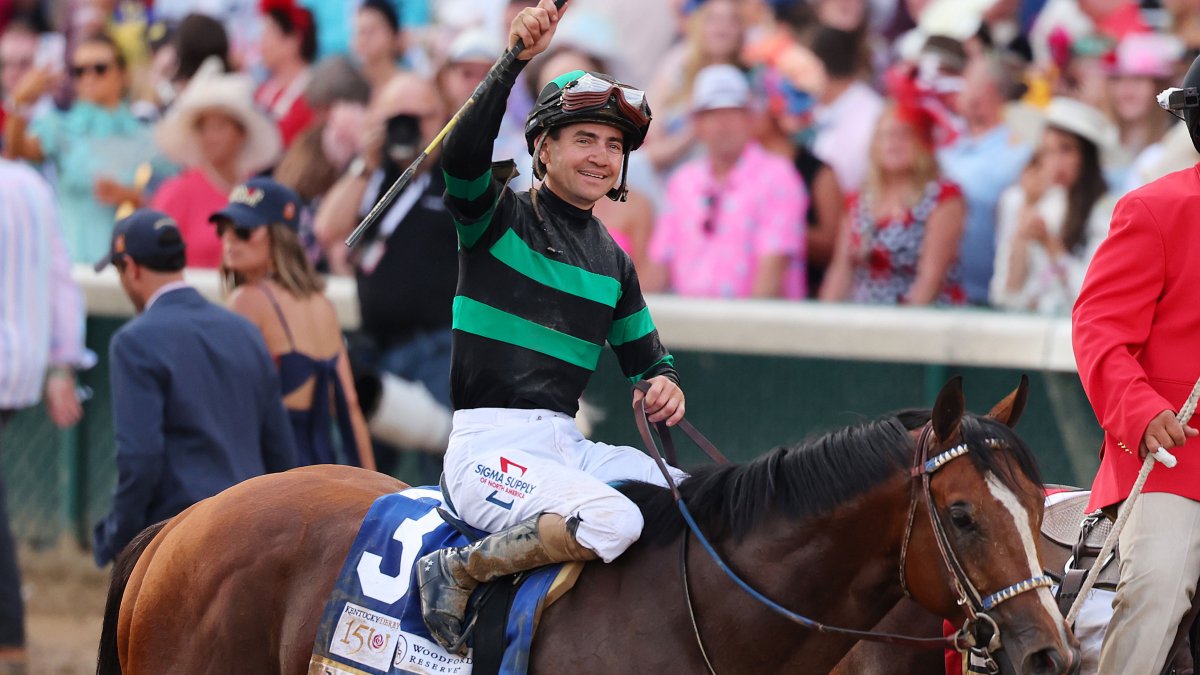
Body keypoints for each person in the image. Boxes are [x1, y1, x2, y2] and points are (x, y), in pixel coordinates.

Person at [416, 0, 687, 654]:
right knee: (614, 517)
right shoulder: (494, 219)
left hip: (566, 447)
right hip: (486, 451)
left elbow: (650, 362)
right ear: (543, 147)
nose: (602, 156)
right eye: (585, 139)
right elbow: (461, 152)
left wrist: (663, 387)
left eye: (615, 144)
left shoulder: (614, 262)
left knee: (693, 500)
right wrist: (513, 61)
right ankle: (457, 567)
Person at [1072, 53, 1200, 675]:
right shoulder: (1153, 209)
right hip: (1173, 459)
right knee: (1155, 586)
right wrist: (1143, 411)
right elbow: (1097, 330)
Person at [91, 209, 296, 566]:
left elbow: (140, 459)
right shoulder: (243, 331)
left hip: (181, 537)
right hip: (253, 532)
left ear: (132, 268)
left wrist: (118, 538)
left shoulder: (134, 341)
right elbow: (281, 452)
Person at [313, 73, 456, 476]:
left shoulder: (459, 175)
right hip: (379, 348)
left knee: (444, 465)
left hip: (441, 350)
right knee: (361, 474)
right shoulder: (375, 177)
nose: (408, 128)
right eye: (397, 118)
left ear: (443, 118)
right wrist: (365, 161)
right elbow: (326, 229)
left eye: (420, 118)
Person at [214, 177, 374, 470]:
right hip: (322, 469)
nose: (229, 239)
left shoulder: (247, 300)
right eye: (223, 229)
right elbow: (349, 406)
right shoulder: (321, 303)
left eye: (243, 231)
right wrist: (377, 490)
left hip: (271, 475)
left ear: (278, 236)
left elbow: (231, 409)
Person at [0, 156, 90, 675]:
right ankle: (9, 638)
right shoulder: (31, 184)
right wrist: (62, 362)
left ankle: (9, 636)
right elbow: (60, 275)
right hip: (23, 367)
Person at [4, 32, 170, 264]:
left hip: (133, 270)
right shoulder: (60, 127)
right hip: (74, 266)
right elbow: (16, 149)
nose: (89, 77)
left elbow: (171, 205)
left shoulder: (149, 137)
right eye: (79, 71)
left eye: (99, 68)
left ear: (123, 75)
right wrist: (19, 100)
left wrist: (130, 197)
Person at [647, 63, 807, 298]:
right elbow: (658, 270)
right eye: (713, 114)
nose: (723, 124)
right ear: (698, 125)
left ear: (751, 119)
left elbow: (771, 276)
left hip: (755, 330)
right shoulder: (682, 181)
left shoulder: (778, 176)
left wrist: (740, 333)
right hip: (687, 328)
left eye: (733, 112)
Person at [819, 103, 967, 305]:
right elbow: (840, 270)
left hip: (922, 317)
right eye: (884, 136)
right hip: (865, 313)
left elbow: (930, 278)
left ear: (922, 141)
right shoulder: (860, 199)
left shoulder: (942, 197)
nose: (893, 144)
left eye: (903, 135)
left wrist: (899, 330)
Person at [150, 58, 282, 268]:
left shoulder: (260, 195)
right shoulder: (176, 193)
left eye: (220, 127)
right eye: (204, 128)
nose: (211, 137)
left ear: (241, 134)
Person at [990, 97, 1116, 314]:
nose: (1055, 162)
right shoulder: (1016, 201)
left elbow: (1091, 291)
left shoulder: (1105, 210)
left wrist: (1050, 244)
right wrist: (1026, 212)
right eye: (1047, 151)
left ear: (1086, 156)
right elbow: (1005, 292)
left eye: (1066, 150)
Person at [938, 52, 1033, 306]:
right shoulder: (948, 141)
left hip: (983, 298)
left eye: (966, 81)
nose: (959, 90)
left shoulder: (1018, 152)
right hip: (937, 293)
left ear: (986, 92)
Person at [256, 0, 318, 147]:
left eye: (269, 33)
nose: (262, 42)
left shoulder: (314, 94)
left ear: (294, 39)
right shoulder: (263, 92)